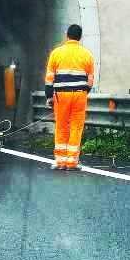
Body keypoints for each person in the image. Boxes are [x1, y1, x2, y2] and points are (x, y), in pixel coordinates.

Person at [44, 24, 95, 170]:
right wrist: (84, 92)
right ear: (80, 37)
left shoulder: (56, 53)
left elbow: (49, 78)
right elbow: (90, 80)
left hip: (62, 95)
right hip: (80, 95)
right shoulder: (87, 55)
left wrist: (49, 96)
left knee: (61, 126)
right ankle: (72, 162)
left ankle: (60, 162)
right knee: (76, 127)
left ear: (67, 35)